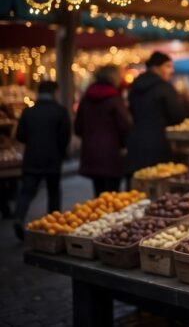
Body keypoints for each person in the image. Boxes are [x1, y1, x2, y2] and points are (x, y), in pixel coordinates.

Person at [13, 81, 71, 240]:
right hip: (53, 159)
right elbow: (65, 137)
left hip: (32, 158)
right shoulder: (60, 111)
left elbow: (20, 136)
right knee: (53, 192)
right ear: (54, 92)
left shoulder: (28, 112)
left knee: (26, 191)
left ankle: (19, 217)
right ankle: (53, 226)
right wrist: (61, 151)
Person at [75, 65, 132, 196]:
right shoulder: (114, 99)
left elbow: (78, 126)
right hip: (112, 152)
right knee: (113, 195)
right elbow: (124, 126)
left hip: (91, 151)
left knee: (98, 192)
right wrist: (125, 144)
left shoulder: (86, 99)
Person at [126, 52, 185, 175]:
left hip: (135, 143)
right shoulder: (164, 88)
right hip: (158, 145)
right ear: (156, 68)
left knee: (138, 185)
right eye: (168, 66)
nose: (172, 71)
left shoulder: (134, 87)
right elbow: (177, 116)